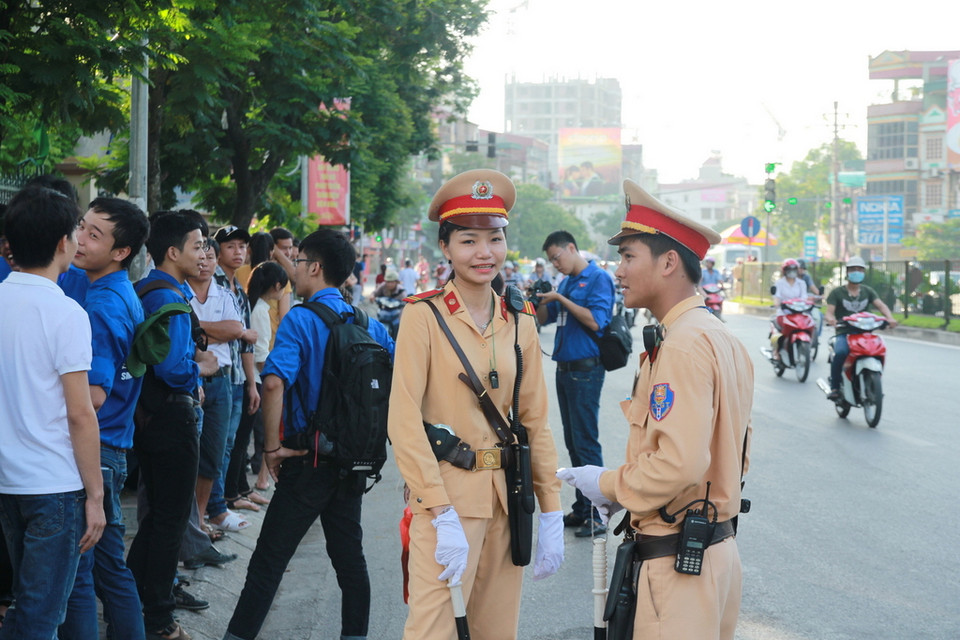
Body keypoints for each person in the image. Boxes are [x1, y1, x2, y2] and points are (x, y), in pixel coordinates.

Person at [557, 179, 753, 640]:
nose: (618, 271)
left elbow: (679, 462)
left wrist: (606, 484)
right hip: (715, 554)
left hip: (678, 567)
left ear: (668, 263)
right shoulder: (718, 336)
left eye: (629, 257)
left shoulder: (682, 345)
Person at [388, 169, 563, 640]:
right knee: (431, 632)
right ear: (445, 247)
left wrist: (550, 509)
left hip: (508, 501)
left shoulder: (520, 319)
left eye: (494, 238)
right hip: (446, 504)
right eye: (468, 240)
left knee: (495, 632)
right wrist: (438, 510)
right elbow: (403, 419)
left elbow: (535, 420)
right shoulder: (422, 315)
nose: (484, 253)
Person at [223, 229, 394, 640]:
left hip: (306, 459)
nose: (294, 269)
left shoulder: (301, 318)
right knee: (350, 561)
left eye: (298, 261)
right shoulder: (368, 322)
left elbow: (274, 384)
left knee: (268, 563)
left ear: (315, 268)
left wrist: (271, 449)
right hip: (352, 462)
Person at [0, 186, 106, 639]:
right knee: (40, 618)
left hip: (7, 482)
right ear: (64, 243)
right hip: (55, 488)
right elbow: (81, 414)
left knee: (24, 610)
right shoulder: (66, 313)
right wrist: (97, 496)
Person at [59, 197, 149, 640]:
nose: (81, 237)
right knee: (109, 569)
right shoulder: (101, 285)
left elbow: (91, 397)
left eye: (95, 235)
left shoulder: (106, 305)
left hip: (99, 448)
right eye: (82, 226)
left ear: (121, 253)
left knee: (81, 574)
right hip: (113, 446)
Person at [128, 211, 218, 640]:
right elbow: (170, 368)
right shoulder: (167, 298)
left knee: (159, 518)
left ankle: (129, 598)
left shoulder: (146, 288)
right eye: (198, 245)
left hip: (150, 419)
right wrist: (202, 368)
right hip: (171, 417)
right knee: (170, 520)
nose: (204, 253)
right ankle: (159, 618)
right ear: (171, 252)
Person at [535, 230, 615, 537]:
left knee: (586, 442)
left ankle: (599, 513)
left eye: (557, 257)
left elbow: (597, 321)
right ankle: (583, 508)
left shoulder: (598, 278)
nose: (556, 264)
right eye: (551, 261)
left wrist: (560, 297)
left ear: (572, 247)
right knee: (572, 442)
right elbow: (543, 318)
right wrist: (542, 298)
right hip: (565, 369)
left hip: (586, 370)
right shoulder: (565, 282)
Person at [186, 240, 247, 531]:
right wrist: (214, 331)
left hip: (220, 382)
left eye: (210, 256)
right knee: (187, 454)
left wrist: (195, 327)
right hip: (190, 379)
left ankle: (200, 518)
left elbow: (235, 330)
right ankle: (188, 522)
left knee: (213, 453)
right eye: (201, 255)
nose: (205, 261)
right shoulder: (179, 294)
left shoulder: (225, 295)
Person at [824, 256, 897, 400]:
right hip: (844, 333)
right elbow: (829, 312)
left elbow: (881, 306)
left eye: (860, 269)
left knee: (878, 350)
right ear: (847, 272)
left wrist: (890, 318)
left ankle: (874, 382)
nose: (856, 272)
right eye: (853, 269)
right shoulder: (837, 293)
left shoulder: (867, 291)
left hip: (865, 333)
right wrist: (831, 319)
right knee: (840, 353)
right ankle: (835, 387)